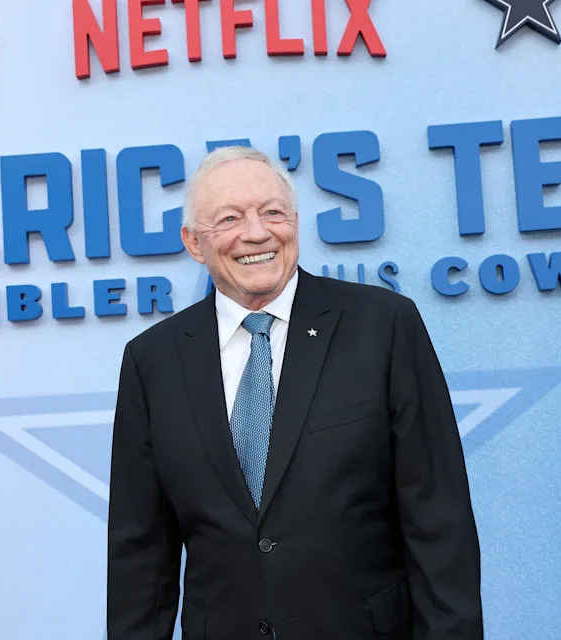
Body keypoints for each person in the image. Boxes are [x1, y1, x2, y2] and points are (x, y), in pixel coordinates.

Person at [107, 146, 483, 639]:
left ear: (296, 223)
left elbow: (440, 521)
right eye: (229, 218)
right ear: (194, 243)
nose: (257, 233)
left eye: (272, 212)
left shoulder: (384, 327)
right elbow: (141, 554)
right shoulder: (151, 360)